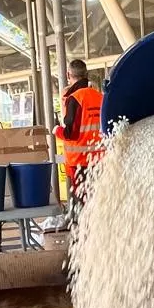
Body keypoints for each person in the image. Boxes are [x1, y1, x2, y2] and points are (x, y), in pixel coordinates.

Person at [54, 59, 104, 201]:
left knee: (82, 201)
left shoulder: (74, 98)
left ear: (68, 75)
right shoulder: (100, 97)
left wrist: (57, 130)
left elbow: (71, 133)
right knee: (97, 200)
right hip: (99, 159)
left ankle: (83, 223)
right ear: (86, 74)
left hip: (79, 162)